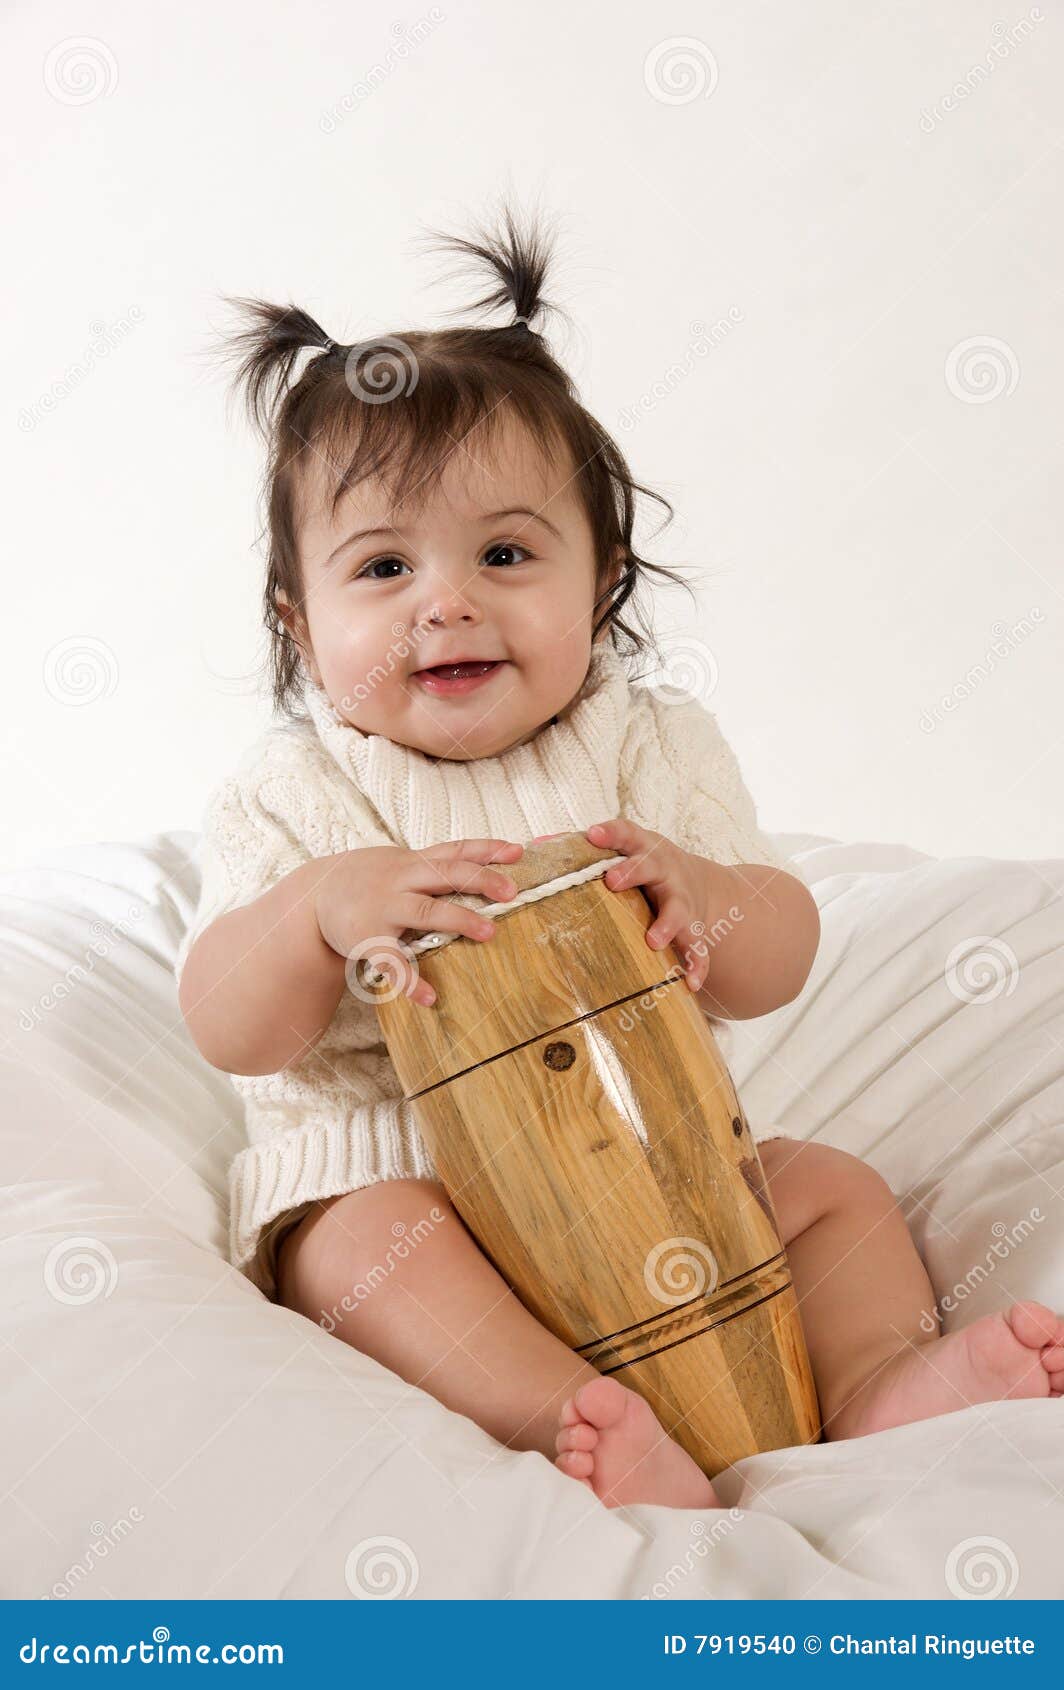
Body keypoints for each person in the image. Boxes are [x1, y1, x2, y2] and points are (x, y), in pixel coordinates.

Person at [176, 203, 1064, 1510]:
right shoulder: (296, 794)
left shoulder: (644, 746)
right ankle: (577, 1421)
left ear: (599, 582)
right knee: (367, 1252)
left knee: (831, 1191)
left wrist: (709, 898)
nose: (448, 599)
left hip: (660, 1165)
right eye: (382, 566)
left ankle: (880, 1377)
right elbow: (226, 1024)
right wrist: (317, 913)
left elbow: (777, 953)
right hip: (406, 1185)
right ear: (300, 624)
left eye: (506, 552)